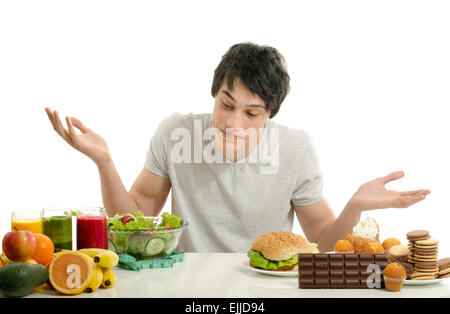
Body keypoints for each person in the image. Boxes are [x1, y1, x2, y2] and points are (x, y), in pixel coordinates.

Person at [45, 42, 430, 253]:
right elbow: (133, 221)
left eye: (251, 113)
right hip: (189, 290)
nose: (233, 124)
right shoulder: (175, 133)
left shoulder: (296, 150)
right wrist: (104, 162)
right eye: (226, 105)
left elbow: (323, 243)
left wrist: (355, 206)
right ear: (214, 94)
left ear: (270, 115)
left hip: (267, 289)